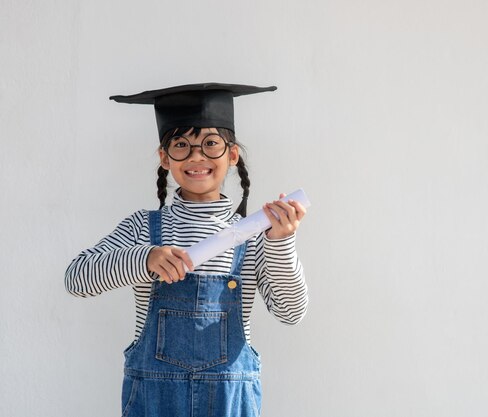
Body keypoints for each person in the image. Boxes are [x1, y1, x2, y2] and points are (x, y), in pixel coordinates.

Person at [65, 83, 308, 417]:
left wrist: (280, 242)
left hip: (229, 400)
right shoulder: (142, 228)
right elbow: (77, 279)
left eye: (210, 144)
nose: (197, 156)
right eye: (181, 145)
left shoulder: (254, 235)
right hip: (155, 399)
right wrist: (143, 257)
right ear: (165, 158)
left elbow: (291, 312)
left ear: (232, 154)